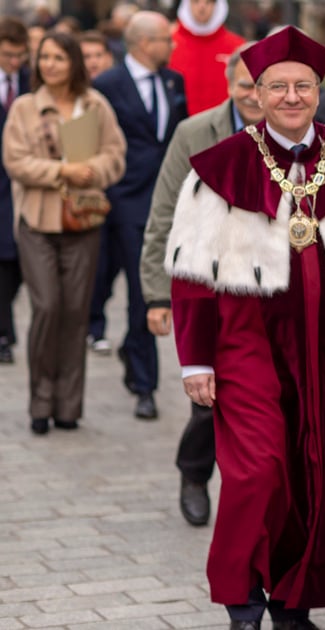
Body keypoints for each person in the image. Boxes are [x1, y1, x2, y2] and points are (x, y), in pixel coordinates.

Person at [164, 26, 325, 628]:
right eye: (277, 86)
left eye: (303, 85)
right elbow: (191, 272)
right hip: (245, 340)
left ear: (319, 89)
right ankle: (241, 592)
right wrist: (195, 359)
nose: (291, 96)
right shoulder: (219, 167)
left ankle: (294, 599)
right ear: (257, 92)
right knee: (258, 470)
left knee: (315, 470)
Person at [140, 42, 261, 527]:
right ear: (230, 85)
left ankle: (250, 490)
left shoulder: (292, 131)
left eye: (262, 84)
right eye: (245, 84)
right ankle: (194, 471)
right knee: (212, 397)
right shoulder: (195, 132)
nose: (253, 95)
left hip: (274, 289)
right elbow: (163, 211)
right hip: (210, 284)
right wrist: (154, 293)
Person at [1, 31, 126, 435]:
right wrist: (61, 171)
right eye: (45, 58)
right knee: (48, 306)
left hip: (84, 220)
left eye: (58, 57)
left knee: (75, 312)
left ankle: (68, 405)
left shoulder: (96, 105)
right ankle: (41, 401)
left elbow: (115, 155)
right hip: (37, 221)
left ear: (73, 62)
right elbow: (15, 161)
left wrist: (92, 172)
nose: (49, 64)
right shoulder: (24, 107)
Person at [90, 11, 188, 421]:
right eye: (167, 39)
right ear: (145, 43)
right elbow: (92, 141)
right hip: (123, 201)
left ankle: (137, 364)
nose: (173, 45)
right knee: (142, 291)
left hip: (165, 201)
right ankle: (145, 385)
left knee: (145, 289)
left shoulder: (173, 81)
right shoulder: (106, 86)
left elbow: (176, 138)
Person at [0, 17, 31, 366]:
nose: (14, 62)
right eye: (8, 55)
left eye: (19, 55)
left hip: (22, 180)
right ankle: (4, 333)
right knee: (4, 259)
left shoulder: (29, 81)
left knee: (18, 260)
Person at [169, 0, 245, 114]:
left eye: (208, 2)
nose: (202, 7)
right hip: (179, 124)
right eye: (196, 2)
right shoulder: (170, 44)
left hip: (224, 124)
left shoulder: (237, 46)